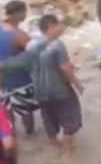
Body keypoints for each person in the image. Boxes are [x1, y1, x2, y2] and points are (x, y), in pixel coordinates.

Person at [0, 15, 83, 156]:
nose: (61, 28)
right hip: (59, 91)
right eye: (58, 25)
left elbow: (22, 63)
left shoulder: (31, 45)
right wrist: (77, 84)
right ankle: (69, 149)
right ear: (51, 27)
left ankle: (53, 142)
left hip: (40, 92)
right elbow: (65, 69)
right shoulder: (58, 45)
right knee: (70, 115)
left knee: (49, 117)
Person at [0, 1, 36, 136]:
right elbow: (34, 56)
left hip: (2, 79)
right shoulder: (19, 35)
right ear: (18, 14)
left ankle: (11, 135)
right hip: (19, 80)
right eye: (24, 12)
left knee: (7, 110)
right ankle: (31, 135)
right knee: (26, 111)